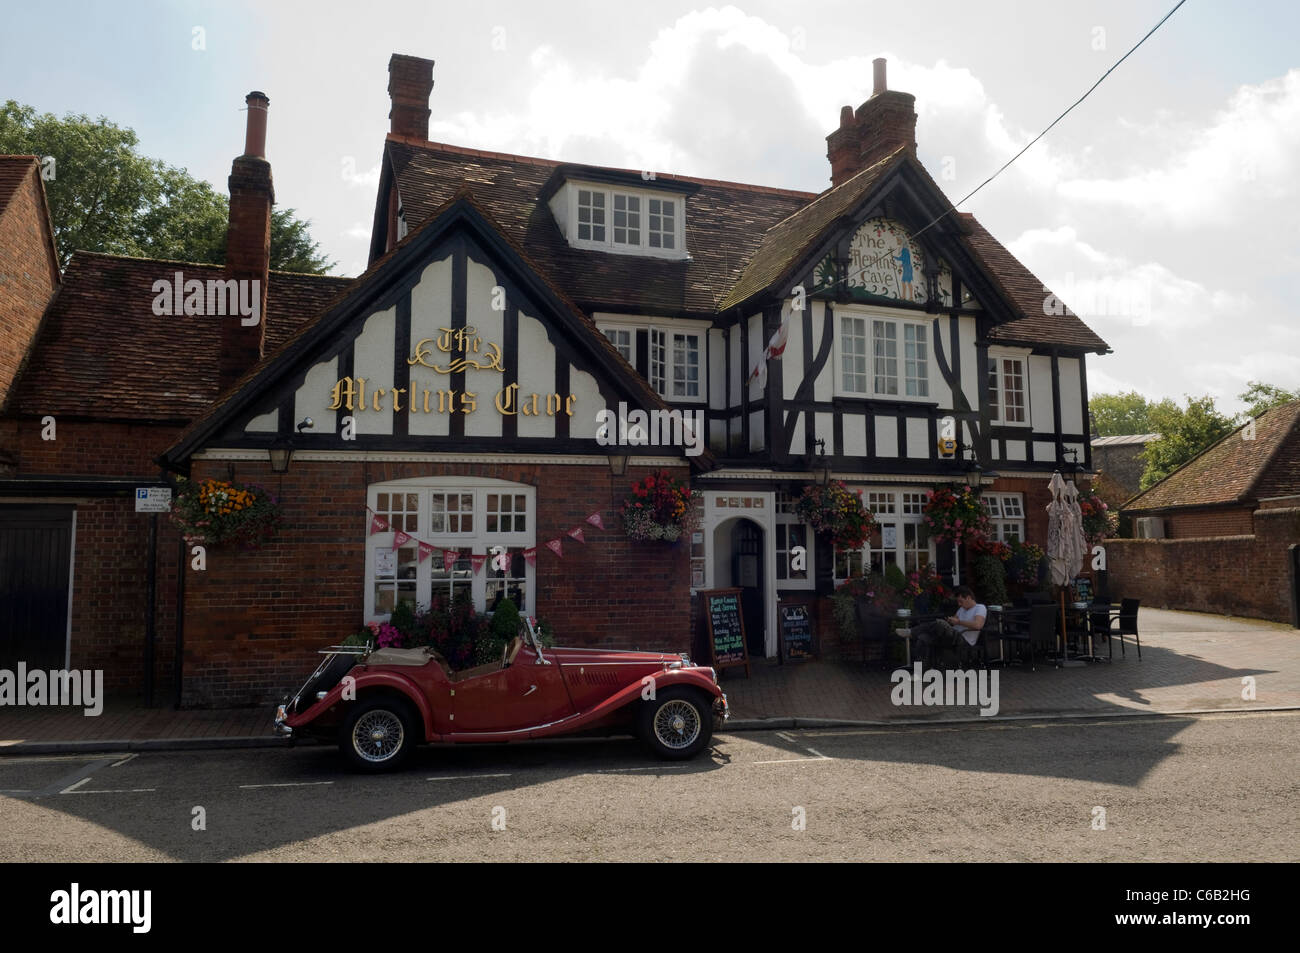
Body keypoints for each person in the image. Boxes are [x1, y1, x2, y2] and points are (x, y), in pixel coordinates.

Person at [900, 585, 986, 669]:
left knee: (940, 623)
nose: (959, 604)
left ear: (968, 597)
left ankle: (912, 632)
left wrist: (959, 622)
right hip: (952, 636)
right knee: (923, 638)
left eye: (961, 601)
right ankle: (919, 672)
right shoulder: (961, 609)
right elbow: (954, 622)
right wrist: (951, 621)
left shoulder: (980, 608)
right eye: (958, 602)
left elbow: (978, 625)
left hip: (964, 639)